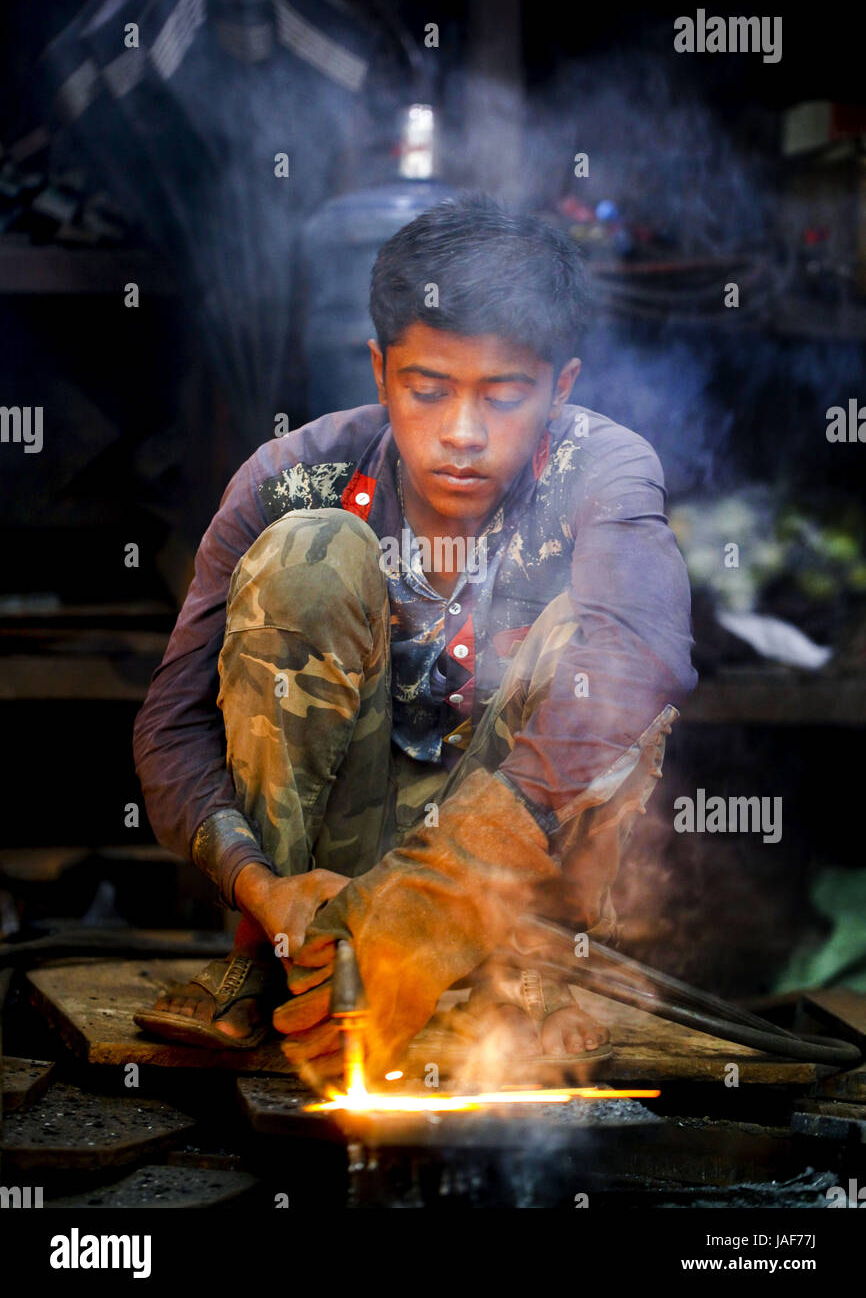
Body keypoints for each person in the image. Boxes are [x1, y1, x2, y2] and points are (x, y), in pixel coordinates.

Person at [133, 194, 697, 1079]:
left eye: (505, 396)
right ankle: (280, 959)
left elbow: (647, 651)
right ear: (380, 369)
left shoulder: (604, 468)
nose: (462, 434)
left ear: (563, 387)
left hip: (500, 885)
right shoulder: (293, 477)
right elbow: (168, 725)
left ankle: (535, 964)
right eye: (426, 389)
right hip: (325, 886)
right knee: (308, 556)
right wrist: (257, 882)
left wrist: (431, 906)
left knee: (607, 652)